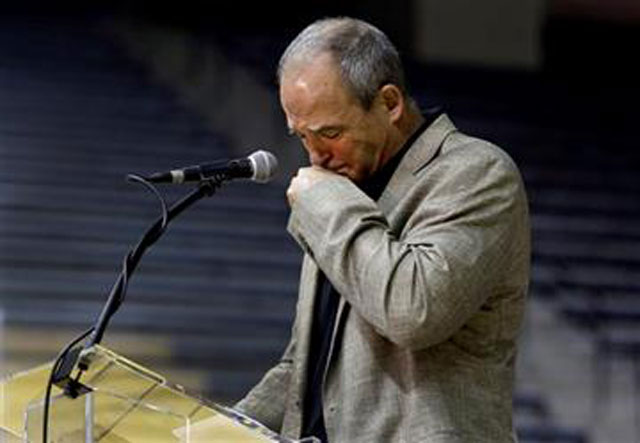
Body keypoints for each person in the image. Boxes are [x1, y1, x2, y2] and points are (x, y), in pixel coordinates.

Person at [236, 17, 530, 443]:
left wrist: (326, 204)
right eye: (301, 136)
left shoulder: (477, 173)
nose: (316, 156)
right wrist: (219, 428)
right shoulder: (341, 186)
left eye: (330, 133)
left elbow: (413, 311)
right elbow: (303, 367)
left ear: (389, 103)